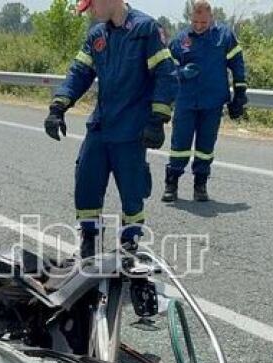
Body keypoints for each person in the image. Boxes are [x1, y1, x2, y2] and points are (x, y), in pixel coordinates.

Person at [44, 0, 176, 258]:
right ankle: (90, 241)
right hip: (101, 126)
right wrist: (58, 107)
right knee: (86, 182)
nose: (90, 12)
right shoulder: (97, 35)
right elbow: (79, 73)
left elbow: (166, 74)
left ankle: (129, 246)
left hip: (132, 129)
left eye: (91, 5)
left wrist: (158, 119)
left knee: (132, 192)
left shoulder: (145, 29)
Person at [162, 0, 246, 203]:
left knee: (205, 145)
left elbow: (237, 64)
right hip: (186, 101)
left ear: (211, 18)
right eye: (195, 21)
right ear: (190, 18)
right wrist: (181, 72)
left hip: (212, 101)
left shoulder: (224, 36)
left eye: (203, 22)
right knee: (180, 143)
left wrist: (240, 93)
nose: (199, 26)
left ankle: (200, 184)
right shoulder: (180, 39)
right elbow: (166, 69)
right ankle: (171, 184)